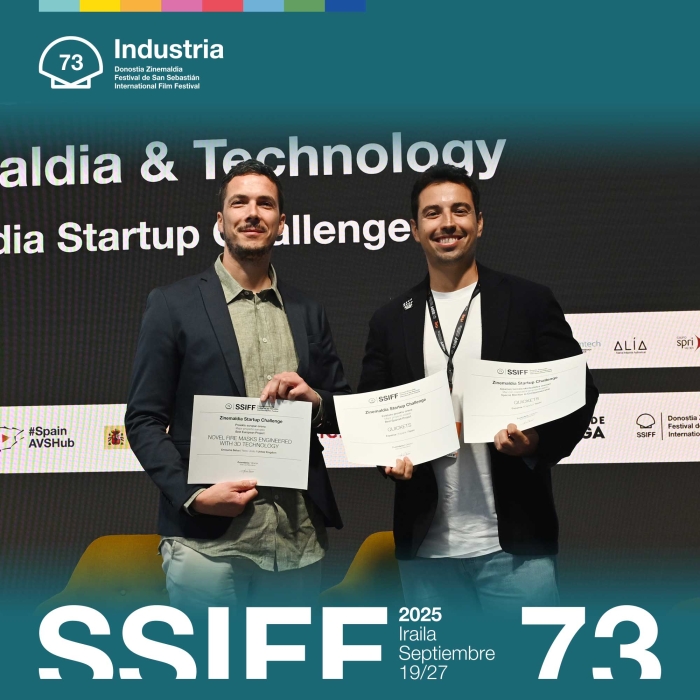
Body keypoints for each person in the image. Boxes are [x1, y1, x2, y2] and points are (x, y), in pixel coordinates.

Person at [358, 164, 598, 613]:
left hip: (516, 547)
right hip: (426, 552)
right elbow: (374, 411)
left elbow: (579, 390)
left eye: (460, 210)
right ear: (414, 229)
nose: (447, 223)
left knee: (526, 662)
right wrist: (387, 459)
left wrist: (535, 442)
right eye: (433, 213)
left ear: (480, 222)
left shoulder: (529, 302)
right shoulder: (389, 321)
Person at [125, 159, 350, 609]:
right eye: (239, 203)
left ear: (281, 223)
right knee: (209, 657)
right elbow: (143, 419)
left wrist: (316, 401)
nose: (252, 213)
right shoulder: (172, 304)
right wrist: (193, 497)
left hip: (296, 540)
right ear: (220, 220)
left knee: (290, 658)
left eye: (265, 204)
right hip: (207, 544)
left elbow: (341, 406)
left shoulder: (307, 311)